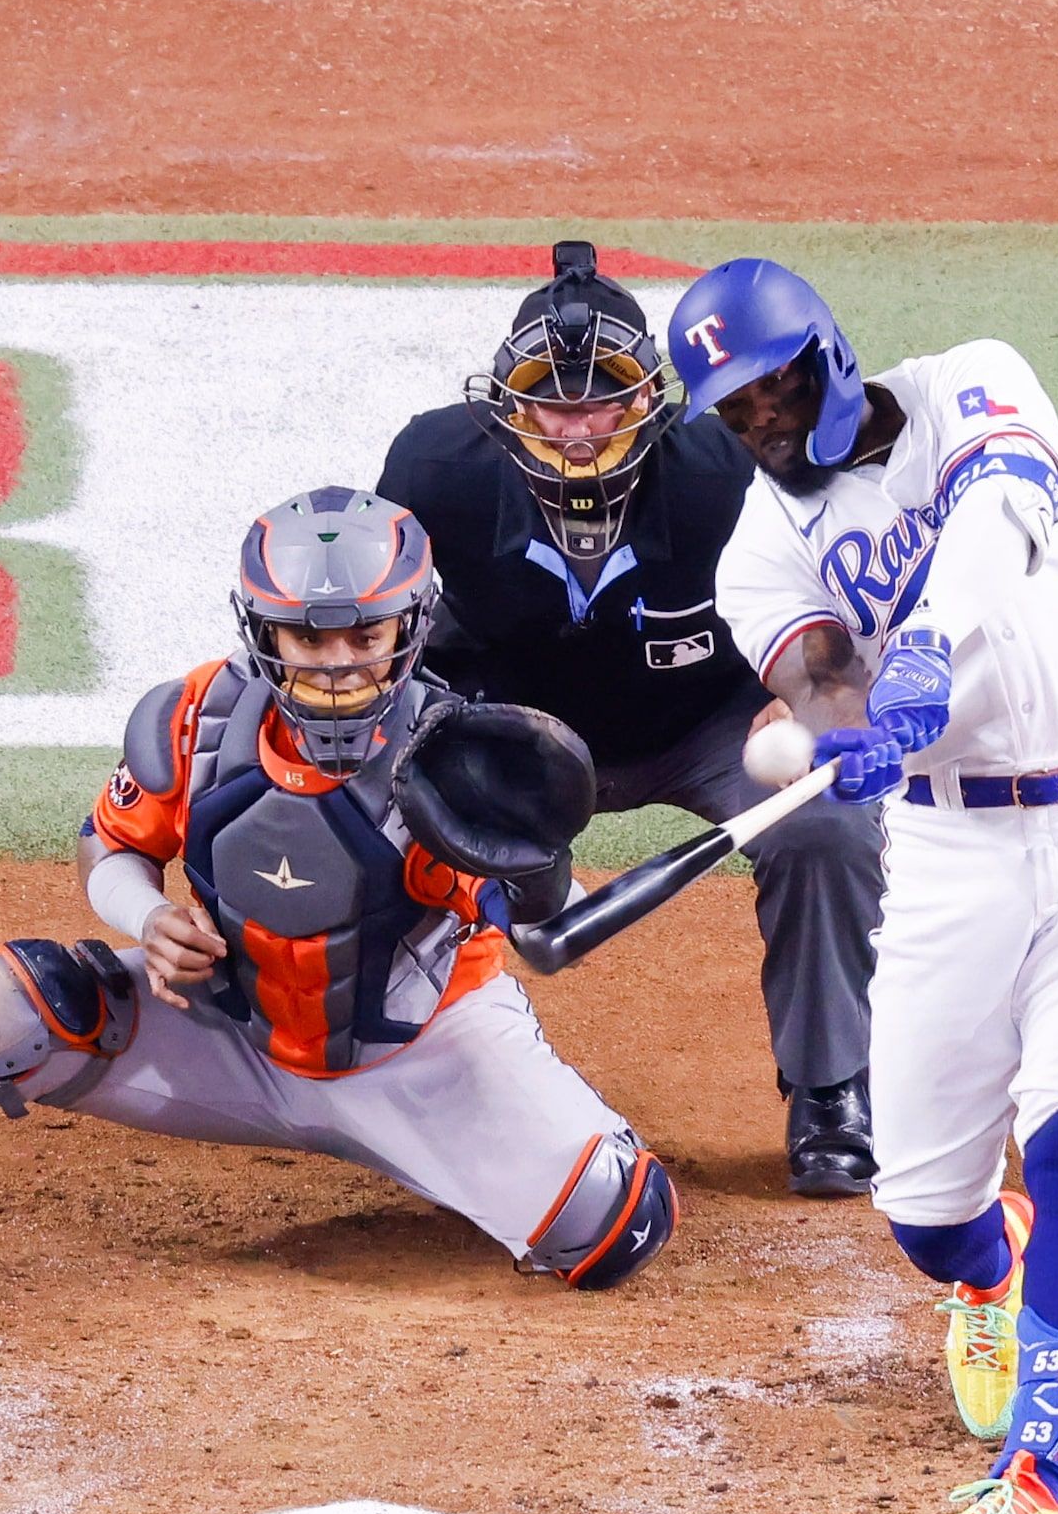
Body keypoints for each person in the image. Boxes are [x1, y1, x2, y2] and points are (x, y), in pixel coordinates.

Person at [0, 487, 678, 1294]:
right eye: (305, 634)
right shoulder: (191, 723)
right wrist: (148, 918)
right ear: (260, 630)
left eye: (362, 633)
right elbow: (107, 850)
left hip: (419, 1059)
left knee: (614, 1227)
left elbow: (534, 917)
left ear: (409, 625)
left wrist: (525, 861)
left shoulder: (462, 757)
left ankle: (454, 1158)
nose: (335, 660)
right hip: (227, 1039)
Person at [672, 258, 1058, 1514]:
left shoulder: (976, 385)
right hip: (954, 857)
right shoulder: (758, 549)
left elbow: (996, 522)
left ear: (828, 354)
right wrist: (853, 725)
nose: (765, 418)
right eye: (733, 409)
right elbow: (822, 681)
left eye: (776, 382)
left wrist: (922, 657)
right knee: (921, 1210)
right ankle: (987, 1263)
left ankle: (1035, 1494)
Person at [376, 241, 884, 1197]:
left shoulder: (726, 475)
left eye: (599, 400)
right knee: (384, 812)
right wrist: (436, 741)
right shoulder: (433, 467)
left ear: (650, 398)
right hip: (509, 735)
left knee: (827, 818)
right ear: (508, 408)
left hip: (711, 723)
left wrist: (805, 693)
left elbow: (835, 619)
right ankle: (385, 1065)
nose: (576, 430)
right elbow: (384, 636)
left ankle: (832, 1089)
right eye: (552, 402)